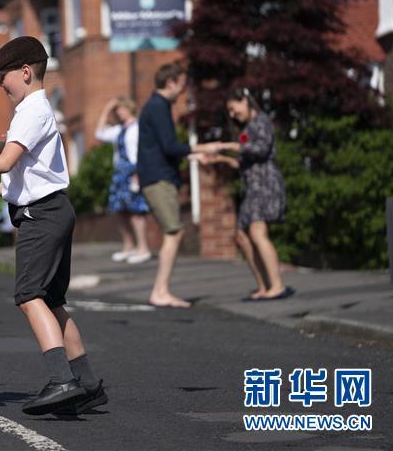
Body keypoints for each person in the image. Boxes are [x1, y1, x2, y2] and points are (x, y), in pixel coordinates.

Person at [0, 36, 107, 416]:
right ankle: (87, 383)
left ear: (26, 72)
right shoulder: (36, 111)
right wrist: (0, 191)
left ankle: (61, 380)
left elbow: (6, 160)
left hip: (41, 216)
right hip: (53, 208)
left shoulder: (32, 111)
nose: (0, 84)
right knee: (52, 301)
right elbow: (28, 171)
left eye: (4, 75)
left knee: (30, 297)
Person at [136, 62, 218, 308]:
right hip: (158, 179)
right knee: (174, 231)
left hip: (157, 176)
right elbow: (170, 146)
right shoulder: (158, 106)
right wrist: (205, 147)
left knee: (173, 232)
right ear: (170, 82)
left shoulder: (156, 106)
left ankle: (161, 290)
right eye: (181, 85)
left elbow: (161, 148)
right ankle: (160, 291)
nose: (183, 91)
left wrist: (194, 156)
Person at [208, 88, 293, 301]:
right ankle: (264, 286)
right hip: (252, 186)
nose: (231, 114)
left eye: (233, 108)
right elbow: (244, 161)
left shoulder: (261, 122)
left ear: (245, 101)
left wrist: (227, 145)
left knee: (256, 232)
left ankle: (277, 286)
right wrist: (220, 159)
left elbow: (260, 150)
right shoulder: (247, 128)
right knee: (242, 237)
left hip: (265, 184)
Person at [95, 96, 152, 264]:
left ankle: (143, 248)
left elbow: (142, 152)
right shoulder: (119, 129)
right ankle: (129, 246)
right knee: (120, 211)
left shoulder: (138, 127)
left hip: (134, 172)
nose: (119, 112)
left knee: (136, 211)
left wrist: (139, 174)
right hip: (119, 174)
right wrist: (106, 109)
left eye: (121, 108)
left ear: (129, 108)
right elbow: (99, 134)